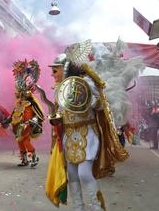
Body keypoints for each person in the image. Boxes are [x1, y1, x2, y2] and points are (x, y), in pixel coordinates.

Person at [44, 51, 128, 210]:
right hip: (69, 136)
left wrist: (90, 101)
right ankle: (79, 208)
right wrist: (56, 118)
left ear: (65, 68)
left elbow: (103, 105)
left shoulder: (86, 83)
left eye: (55, 70)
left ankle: (97, 208)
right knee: (72, 175)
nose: (52, 74)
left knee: (84, 174)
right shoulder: (60, 89)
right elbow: (61, 113)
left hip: (87, 133)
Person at [3, 60, 44, 167]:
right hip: (17, 124)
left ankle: (34, 157)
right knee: (19, 141)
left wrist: (35, 120)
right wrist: (8, 119)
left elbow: (37, 113)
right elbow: (15, 112)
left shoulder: (31, 102)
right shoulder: (20, 102)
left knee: (25, 141)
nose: (19, 95)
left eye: (21, 93)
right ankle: (24, 160)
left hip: (27, 124)